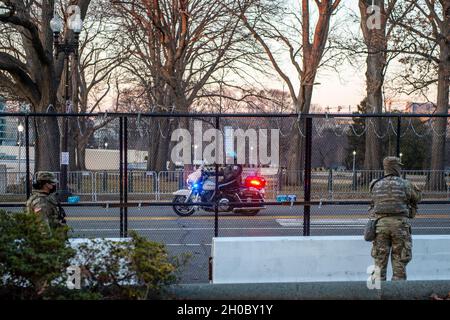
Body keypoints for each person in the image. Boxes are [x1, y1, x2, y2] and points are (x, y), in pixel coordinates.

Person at [369, 156, 422, 281]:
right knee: (399, 262)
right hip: (400, 227)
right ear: (395, 167)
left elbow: (373, 201)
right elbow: (418, 198)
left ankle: (377, 293)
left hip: (380, 226)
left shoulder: (375, 184)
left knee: (379, 262)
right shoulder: (405, 184)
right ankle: (397, 293)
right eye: (399, 166)